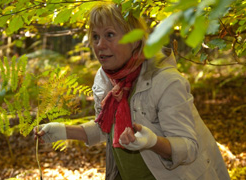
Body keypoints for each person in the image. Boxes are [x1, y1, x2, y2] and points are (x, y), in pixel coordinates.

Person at [34, 2, 230, 180]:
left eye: (109, 35)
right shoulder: (105, 79)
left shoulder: (166, 82)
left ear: (135, 39)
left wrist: (152, 142)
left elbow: (188, 148)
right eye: (95, 37)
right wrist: (62, 131)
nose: (100, 45)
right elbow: (106, 128)